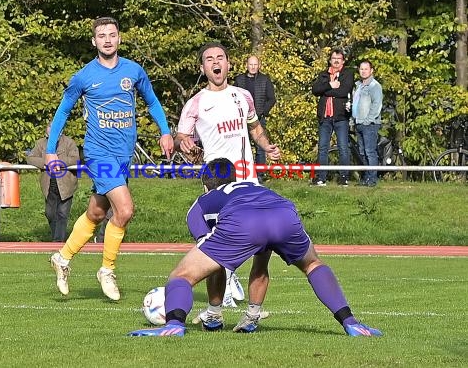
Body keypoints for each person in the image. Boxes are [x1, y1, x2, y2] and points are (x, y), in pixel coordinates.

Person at [128, 158, 383, 337]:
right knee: (313, 264)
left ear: (205, 185)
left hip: (243, 219)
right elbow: (261, 263)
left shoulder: (203, 200)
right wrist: (252, 313)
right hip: (283, 210)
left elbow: (211, 260)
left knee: (182, 276)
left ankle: (173, 325)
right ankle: (350, 323)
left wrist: (214, 309)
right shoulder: (255, 187)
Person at [46, 16, 174, 300]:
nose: (107, 39)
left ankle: (62, 258)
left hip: (123, 155)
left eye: (112, 35)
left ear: (119, 38)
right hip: (98, 153)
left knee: (97, 212)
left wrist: (165, 132)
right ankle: (107, 270)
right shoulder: (84, 77)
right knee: (125, 210)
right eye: (101, 35)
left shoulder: (133, 71)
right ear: (94, 41)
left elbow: (152, 101)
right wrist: (51, 149)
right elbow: (63, 111)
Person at [175, 42, 281, 329]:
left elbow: (255, 127)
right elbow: (181, 136)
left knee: (263, 252)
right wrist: (184, 143)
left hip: (248, 181)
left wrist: (267, 145)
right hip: (217, 186)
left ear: (228, 64)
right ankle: (214, 312)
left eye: (220, 57)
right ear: (203, 68)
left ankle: (253, 313)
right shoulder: (196, 102)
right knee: (214, 253)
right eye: (209, 59)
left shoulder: (242, 95)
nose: (215, 62)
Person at [27, 124, 79, 242]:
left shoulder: (69, 142)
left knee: (62, 214)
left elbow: (75, 159)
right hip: (49, 185)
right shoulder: (40, 143)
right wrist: (46, 163)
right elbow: (31, 158)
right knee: (50, 213)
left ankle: (58, 241)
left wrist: (58, 162)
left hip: (67, 185)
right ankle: (58, 239)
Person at [311, 48, 354, 186]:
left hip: (341, 117)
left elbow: (344, 90)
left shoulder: (347, 74)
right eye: (334, 58)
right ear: (330, 60)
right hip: (325, 117)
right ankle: (321, 177)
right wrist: (330, 85)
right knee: (323, 147)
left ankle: (344, 177)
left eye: (339, 59)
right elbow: (315, 90)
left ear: (343, 61)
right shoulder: (323, 75)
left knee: (343, 147)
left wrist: (326, 91)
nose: (336, 61)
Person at [234, 55, 276, 178]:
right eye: (250, 64)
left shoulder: (265, 79)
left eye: (255, 64)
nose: (253, 67)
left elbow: (271, 99)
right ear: (246, 65)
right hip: (241, 118)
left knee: (261, 147)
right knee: (241, 147)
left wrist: (262, 112)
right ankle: (241, 173)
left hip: (258, 118)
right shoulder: (239, 80)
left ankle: (260, 175)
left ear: (259, 66)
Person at [352, 60, 383, 187]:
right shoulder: (358, 86)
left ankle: (372, 179)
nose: (363, 71)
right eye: (361, 69)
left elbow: (377, 105)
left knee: (370, 151)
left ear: (371, 70)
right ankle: (366, 177)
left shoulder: (375, 86)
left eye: (366, 69)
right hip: (358, 122)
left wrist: (368, 120)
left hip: (369, 124)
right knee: (362, 152)